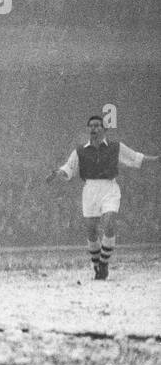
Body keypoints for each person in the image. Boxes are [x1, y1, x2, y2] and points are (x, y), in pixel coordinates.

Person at [44, 114, 158, 279]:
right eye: (91, 126)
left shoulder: (115, 147)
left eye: (98, 125)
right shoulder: (80, 150)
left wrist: (156, 159)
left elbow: (135, 158)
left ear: (105, 130)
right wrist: (57, 173)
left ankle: (104, 263)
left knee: (109, 222)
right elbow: (68, 168)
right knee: (91, 230)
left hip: (109, 187)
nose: (94, 128)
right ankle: (97, 265)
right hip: (90, 189)